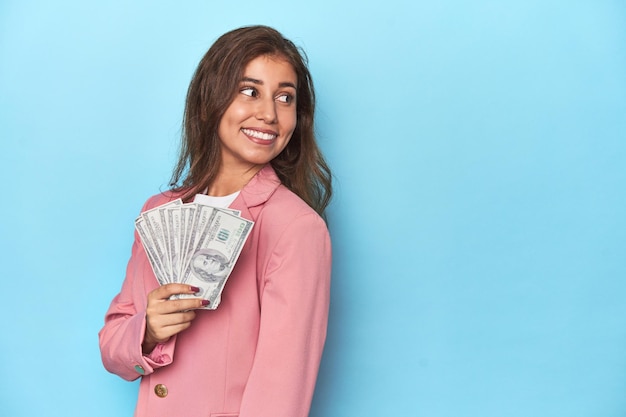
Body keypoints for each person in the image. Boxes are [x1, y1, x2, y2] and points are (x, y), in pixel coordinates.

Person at [99, 25, 332, 417]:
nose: (269, 114)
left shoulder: (296, 227)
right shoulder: (159, 211)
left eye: (285, 97)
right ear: (210, 101)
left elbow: (280, 395)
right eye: (250, 91)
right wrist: (148, 331)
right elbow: (112, 346)